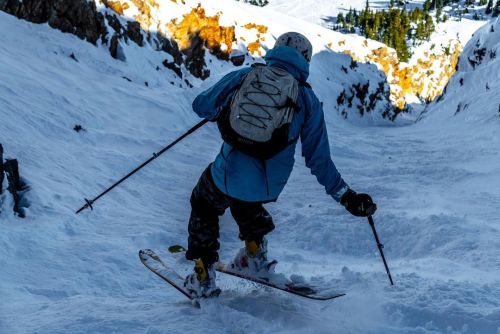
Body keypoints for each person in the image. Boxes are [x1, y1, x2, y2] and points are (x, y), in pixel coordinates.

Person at [183, 32, 377, 298]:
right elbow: (319, 160)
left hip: (227, 175)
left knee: (204, 203)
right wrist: (347, 197)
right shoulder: (307, 99)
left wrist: (224, 109)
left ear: (275, 51)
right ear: (305, 60)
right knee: (247, 201)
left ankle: (203, 275)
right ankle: (253, 256)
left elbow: (201, 106)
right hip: (269, 186)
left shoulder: (245, 76)